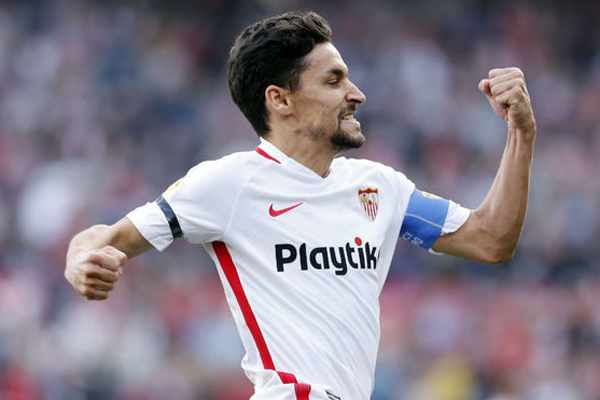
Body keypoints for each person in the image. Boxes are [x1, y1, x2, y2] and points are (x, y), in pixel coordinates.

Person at [64, 10, 536, 400]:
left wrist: (521, 133)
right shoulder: (228, 183)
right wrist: (79, 260)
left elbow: (490, 240)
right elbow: (103, 239)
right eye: (334, 81)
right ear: (280, 100)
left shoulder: (380, 187)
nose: (356, 94)